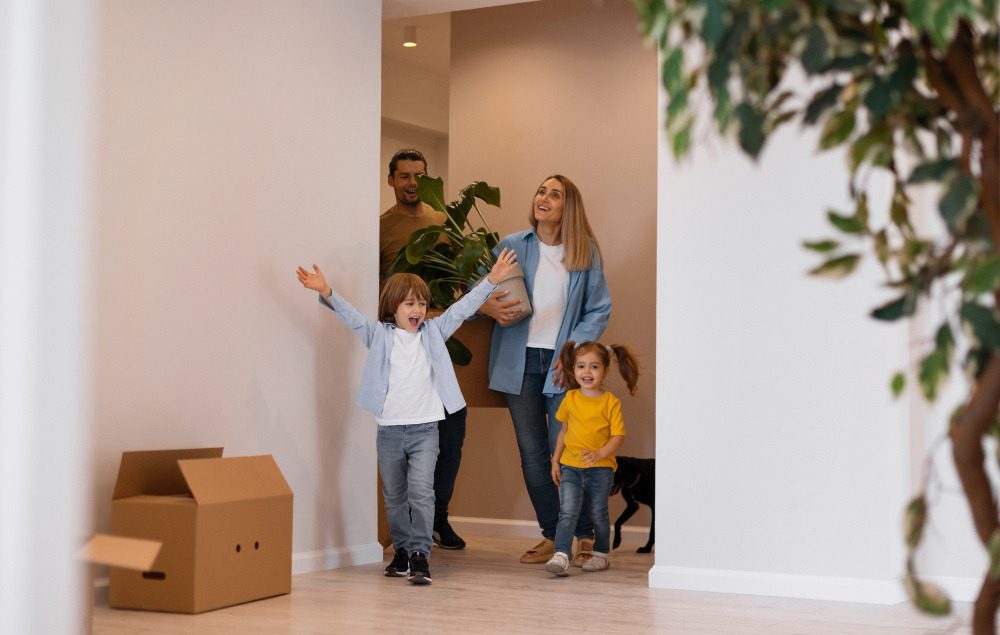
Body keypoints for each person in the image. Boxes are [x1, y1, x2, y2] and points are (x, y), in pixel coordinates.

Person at [296, 248, 518, 584]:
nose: (418, 310)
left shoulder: (433, 333)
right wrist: (326, 291)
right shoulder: (379, 336)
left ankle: (420, 554)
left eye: (422, 303)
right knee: (395, 495)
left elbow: (462, 308)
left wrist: (491, 281)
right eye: (409, 304)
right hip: (389, 431)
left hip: (425, 430)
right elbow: (352, 317)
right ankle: (401, 551)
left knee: (422, 492)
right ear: (393, 309)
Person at [477, 174, 612, 566]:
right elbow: (479, 289)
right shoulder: (513, 245)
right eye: (541, 191)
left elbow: (598, 308)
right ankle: (555, 536)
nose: (545, 198)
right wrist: (487, 307)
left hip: (560, 368)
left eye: (555, 195)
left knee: (568, 450)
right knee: (532, 454)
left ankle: (584, 535)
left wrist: (571, 352)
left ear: (568, 207)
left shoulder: (584, 252)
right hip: (517, 365)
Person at [379, 148, 468, 550]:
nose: (413, 183)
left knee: (451, 434)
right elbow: (381, 295)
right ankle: (407, 535)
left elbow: (459, 282)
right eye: (404, 176)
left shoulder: (443, 223)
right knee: (403, 445)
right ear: (391, 180)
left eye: (419, 175)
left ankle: (438, 518)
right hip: (401, 353)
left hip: (441, 343)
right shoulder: (381, 228)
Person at [544, 341, 640, 576]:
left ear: (605, 370)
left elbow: (618, 436)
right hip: (571, 467)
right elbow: (563, 432)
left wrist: (600, 453)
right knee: (567, 511)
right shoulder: (571, 399)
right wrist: (556, 460)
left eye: (594, 367)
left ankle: (601, 555)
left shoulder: (610, 402)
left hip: (600, 470)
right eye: (581, 366)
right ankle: (561, 554)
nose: (587, 372)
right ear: (574, 370)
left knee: (598, 512)